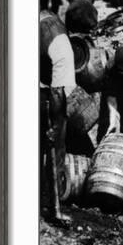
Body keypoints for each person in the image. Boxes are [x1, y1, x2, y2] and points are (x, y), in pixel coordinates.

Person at [40, 11, 77, 219]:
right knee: (57, 145)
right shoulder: (62, 43)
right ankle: (53, 207)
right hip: (43, 95)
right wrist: (56, 126)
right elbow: (57, 90)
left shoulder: (44, 17)